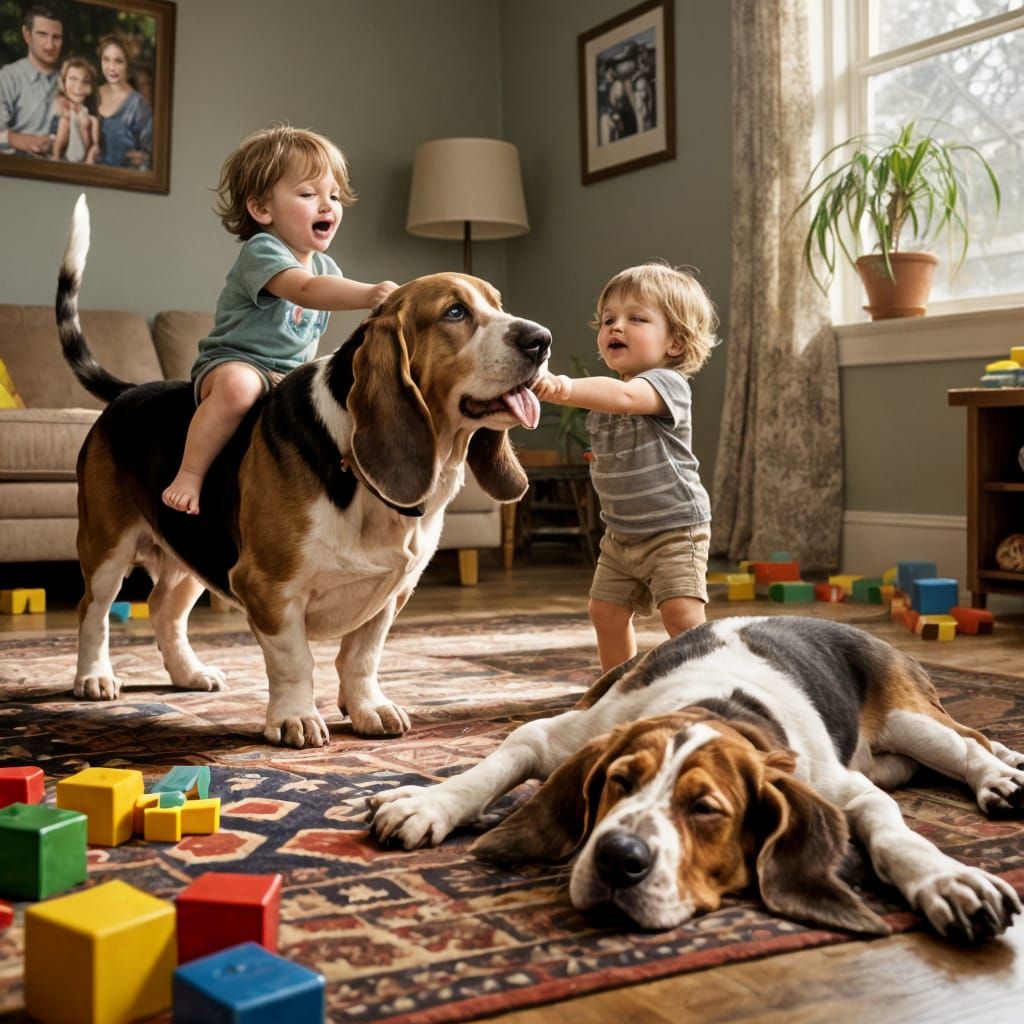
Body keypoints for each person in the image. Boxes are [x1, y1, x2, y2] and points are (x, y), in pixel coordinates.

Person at [162, 124, 398, 515]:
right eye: (308, 194)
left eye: (334, 196)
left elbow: (322, 287)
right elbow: (304, 290)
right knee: (239, 389)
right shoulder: (263, 250)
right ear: (261, 209)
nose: (327, 206)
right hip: (236, 362)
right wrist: (371, 294)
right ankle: (190, 474)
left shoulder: (326, 265)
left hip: (290, 376)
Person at [532, 262, 718, 674]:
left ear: (675, 343)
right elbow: (612, 406)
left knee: (681, 616)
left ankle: (708, 680)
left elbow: (627, 398)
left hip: (673, 528)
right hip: (620, 535)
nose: (616, 328)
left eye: (636, 319)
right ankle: (618, 686)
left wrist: (561, 387)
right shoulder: (606, 398)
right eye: (608, 320)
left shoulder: (667, 384)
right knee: (605, 612)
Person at [0, 2, 64, 157]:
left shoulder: (71, 81)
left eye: (56, 37)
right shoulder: (8, 77)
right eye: (42, 34)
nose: (50, 45)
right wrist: (23, 140)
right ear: (27, 35)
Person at [95, 35, 151, 169]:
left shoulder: (138, 104)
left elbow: (150, 153)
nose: (111, 67)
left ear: (128, 64)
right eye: (106, 60)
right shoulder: (90, 94)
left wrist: (143, 158)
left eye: (118, 61)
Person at [51, 57, 100, 163]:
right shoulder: (59, 107)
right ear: (63, 83)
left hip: (82, 162)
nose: (79, 86)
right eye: (73, 79)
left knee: (91, 121)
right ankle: (56, 156)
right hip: (61, 157)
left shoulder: (91, 119)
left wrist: (93, 152)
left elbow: (96, 143)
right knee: (65, 120)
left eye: (85, 81)